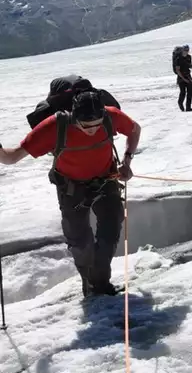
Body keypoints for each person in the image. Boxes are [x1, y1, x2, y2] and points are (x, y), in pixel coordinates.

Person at [0, 90, 141, 297]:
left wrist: (126, 161)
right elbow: (11, 158)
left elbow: (135, 129)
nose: (92, 130)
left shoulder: (110, 116)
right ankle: (90, 282)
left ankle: (99, 284)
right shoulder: (55, 126)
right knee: (79, 241)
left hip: (106, 180)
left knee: (110, 232)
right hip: (71, 188)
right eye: (86, 126)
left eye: (97, 124)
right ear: (75, 118)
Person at [175, 44, 192, 112]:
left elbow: (189, 66)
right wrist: (184, 79)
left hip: (188, 76)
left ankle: (188, 107)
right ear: (182, 50)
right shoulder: (178, 59)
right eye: (185, 50)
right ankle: (180, 103)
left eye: (187, 50)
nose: (186, 51)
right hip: (181, 77)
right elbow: (177, 70)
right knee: (183, 92)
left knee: (190, 92)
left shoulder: (189, 57)